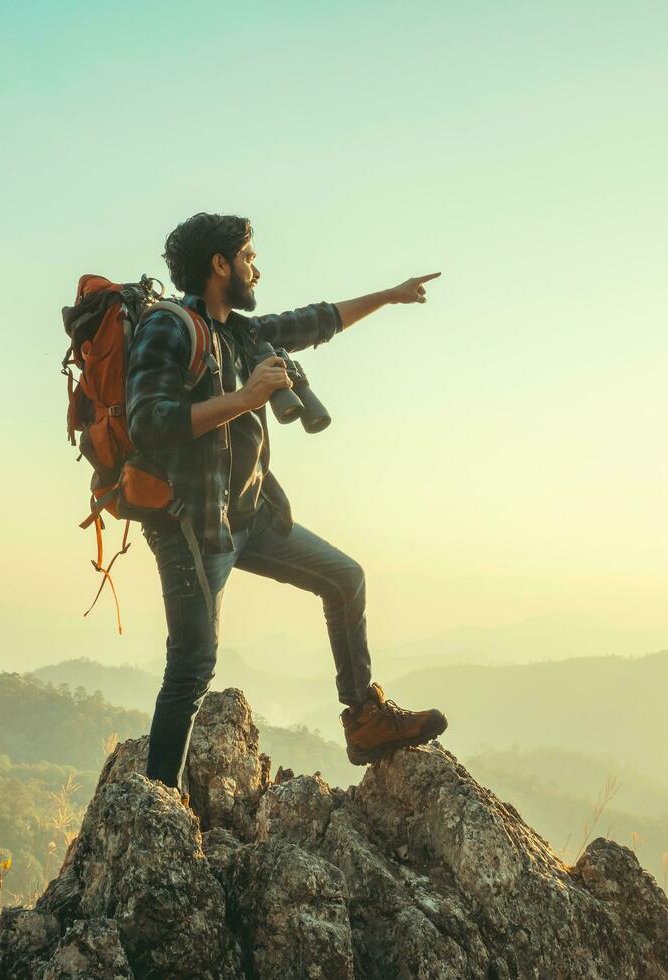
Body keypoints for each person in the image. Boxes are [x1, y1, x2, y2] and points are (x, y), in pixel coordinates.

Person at [125, 211, 448, 792]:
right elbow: (149, 424)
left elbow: (316, 321)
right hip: (192, 531)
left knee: (345, 578)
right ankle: (156, 806)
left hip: (251, 517)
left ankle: (364, 720)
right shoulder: (167, 328)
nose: (258, 268)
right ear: (220, 264)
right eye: (249, 257)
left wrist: (392, 295)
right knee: (192, 668)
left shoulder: (242, 331)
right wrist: (248, 396)